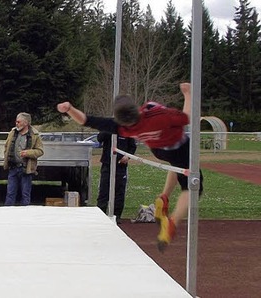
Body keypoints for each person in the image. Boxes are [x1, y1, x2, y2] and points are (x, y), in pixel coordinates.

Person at [56, 82, 203, 251]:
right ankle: (172, 223)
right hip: (179, 147)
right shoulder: (157, 114)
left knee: (175, 166)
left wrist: (69, 109)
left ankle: (164, 197)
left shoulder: (124, 129)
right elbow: (187, 118)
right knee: (192, 186)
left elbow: (86, 120)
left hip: (159, 151)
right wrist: (188, 94)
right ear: (135, 108)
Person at [3, 112, 44, 206]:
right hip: (13, 168)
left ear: (26, 123)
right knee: (10, 193)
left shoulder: (35, 135)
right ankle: (6, 215)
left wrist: (28, 153)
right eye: (16, 122)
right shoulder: (12, 132)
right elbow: (6, 147)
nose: (16, 123)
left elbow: (40, 151)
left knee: (25, 194)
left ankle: (25, 216)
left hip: (26, 169)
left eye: (18, 122)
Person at [96, 131, 137, 222]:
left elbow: (132, 147)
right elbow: (99, 138)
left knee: (119, 191)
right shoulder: (109, 127)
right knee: (104, 190)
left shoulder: (127, 129)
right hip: (107, 164)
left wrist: (127, 156)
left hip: (121, 166)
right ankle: (101, 214)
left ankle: (116, 215)